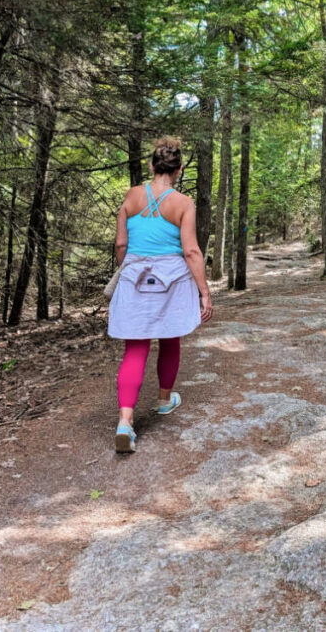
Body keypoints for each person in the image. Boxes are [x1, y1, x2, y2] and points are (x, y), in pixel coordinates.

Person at [108, 137, 212, 452]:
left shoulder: (132, 195)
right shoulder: (183, 203)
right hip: (172, 279)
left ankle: (125, 422)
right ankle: (165, 400)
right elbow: (191, 250)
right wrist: (204, 293)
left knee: (135, 348)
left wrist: (126, 269)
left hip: (135, 275)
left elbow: (121, 245)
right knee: (169, 338)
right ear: (178, 170)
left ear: (152, 166)